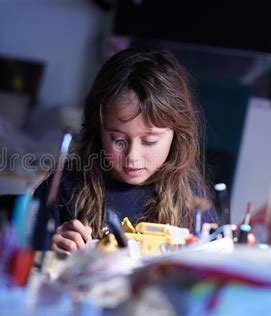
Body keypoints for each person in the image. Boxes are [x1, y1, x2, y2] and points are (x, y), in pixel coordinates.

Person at [32, 48, 218, 253]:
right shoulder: (63, 189)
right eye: (118, 140)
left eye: (149, 141)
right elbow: (18, 262)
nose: (132, 157)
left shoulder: (192, 202)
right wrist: (47, 250)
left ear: (177, 135)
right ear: (98, 128)